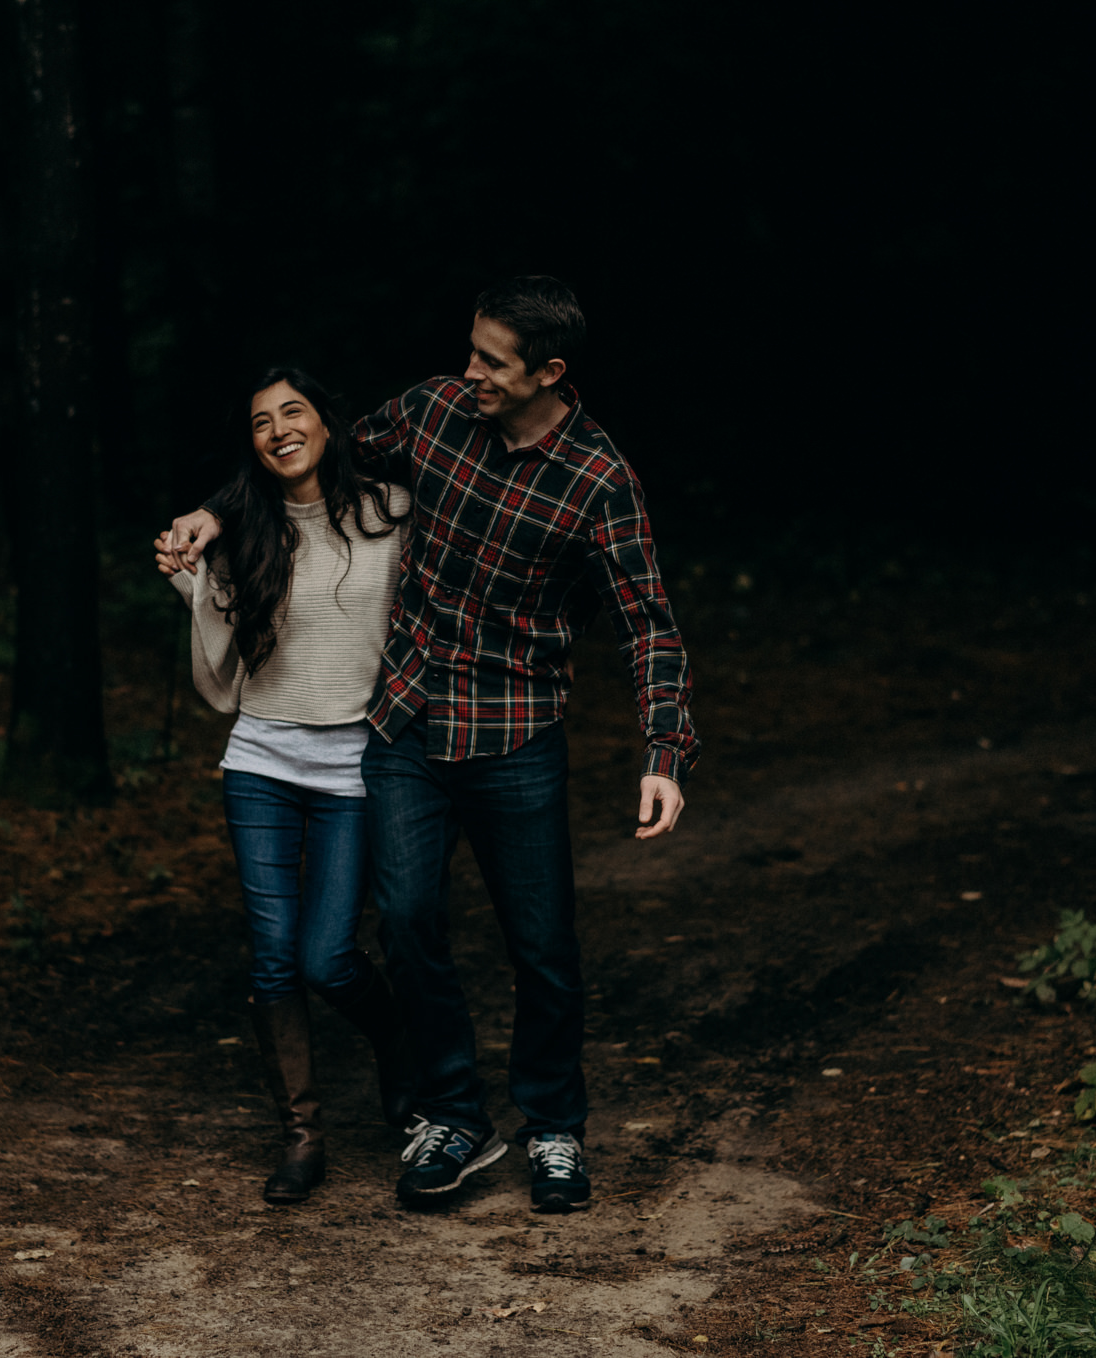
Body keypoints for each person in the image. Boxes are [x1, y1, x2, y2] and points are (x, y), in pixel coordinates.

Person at [159, 277, 699, 1214]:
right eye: (472, 350)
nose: (471, 371)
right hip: (405, 724)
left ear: (549, 372)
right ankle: (452, 1112)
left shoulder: (598, 478)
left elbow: (647, 620)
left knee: (542, 946)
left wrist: (665, 749)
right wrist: (213, 511)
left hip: (516, 732)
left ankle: (557, 1126)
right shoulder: (433, 412)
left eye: (492, 361)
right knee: (407, 929)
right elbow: (302, 448)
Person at [157, 366, 416, 1206]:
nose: (279, 429)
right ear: (254, 444)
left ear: (326, 425)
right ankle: (302, 1136)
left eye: (293, 411)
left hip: (353, 765)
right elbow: (221, 664)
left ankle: (398, 1047)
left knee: (328, 957)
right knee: (273, 961)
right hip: (262, 762)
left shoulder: (392, 514)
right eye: (262, 420)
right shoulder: (243, 529)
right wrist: (192, 572)